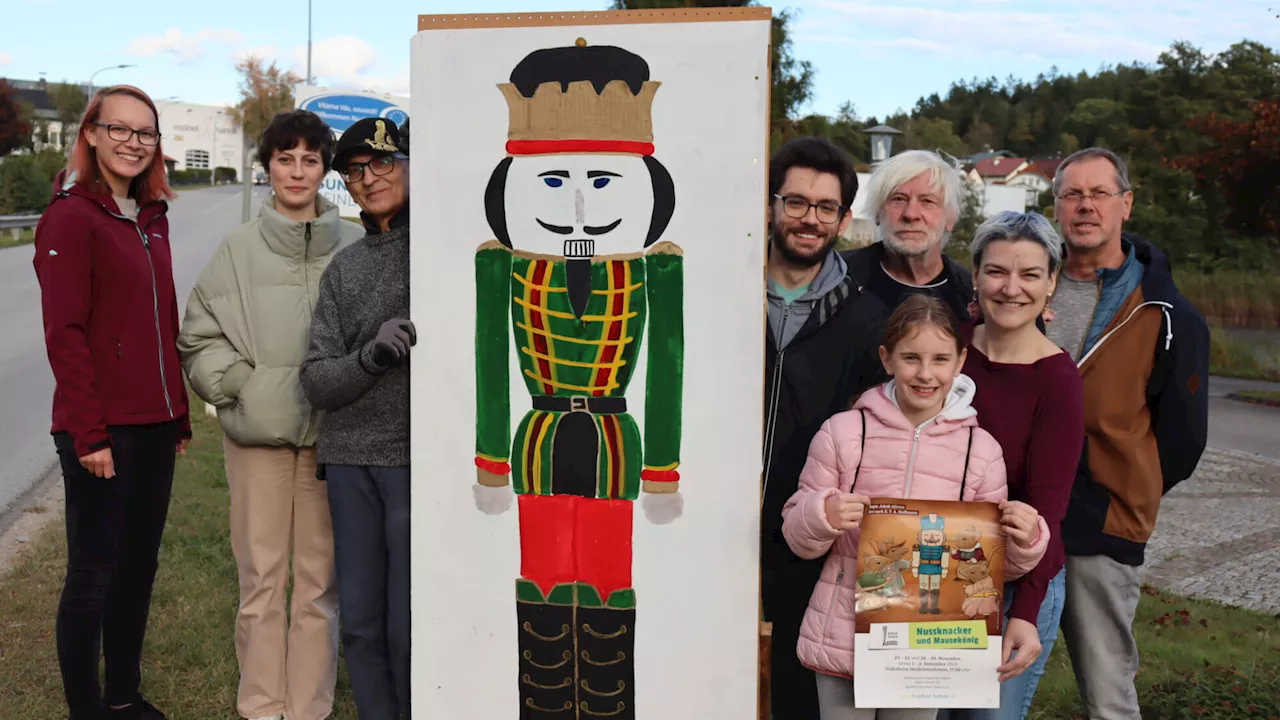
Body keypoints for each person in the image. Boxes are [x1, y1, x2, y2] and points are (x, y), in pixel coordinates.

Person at [780, 294, 1050, 720]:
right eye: (911, 358)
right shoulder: (843, 432)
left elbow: (993, 570)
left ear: (960, 361)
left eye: (940, 359)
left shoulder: (980, 451)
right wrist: (822, 514)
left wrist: (1026, 539)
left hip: (929, 646)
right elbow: (797, 537)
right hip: (843, 637)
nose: (926, 374)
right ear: (887, 359)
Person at [177, 109, 362, 720]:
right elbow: (198, 337)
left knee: (318, 585)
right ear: (268, 167)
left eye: (311, 159)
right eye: (286, 158)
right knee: (261, 581)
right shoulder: (236, 250)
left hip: (332, 442)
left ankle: (307, 706)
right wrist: (243, 388)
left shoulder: (356, 245)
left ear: (324, 168)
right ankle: (261, 705)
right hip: (257, 442)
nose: (298, 171)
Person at [32, 84, 189, 720]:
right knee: (93, 578)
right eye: (119, 129)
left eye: (144, 133)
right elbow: (64, 334)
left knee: (137, 572)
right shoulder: (70, 218)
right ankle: (86, 709)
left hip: (154, 428)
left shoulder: (152, 217)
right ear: (91, 134)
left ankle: (123, 695)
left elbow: (162, 323)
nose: (132, 141)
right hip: (100, 433)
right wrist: (90, 435)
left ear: (156, 146)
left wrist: (176, 413)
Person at [1047, 148, 1209, 720]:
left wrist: (1122, 485)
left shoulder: (1166, 314)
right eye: (1072, 194)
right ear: (1057, 206)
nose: (1085, 205)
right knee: (985, 678)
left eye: (1099, 193)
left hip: (1101, 525)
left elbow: (1183, 440)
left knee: (1107, 690)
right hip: (1012, 516)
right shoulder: (1025, 285)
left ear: (1126, 203)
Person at [938, 212, 1086, 720]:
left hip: (1018, 582)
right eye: (997, 271)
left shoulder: (1057, 380)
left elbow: (1047, 512)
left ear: (1051, 285)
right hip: (929, 566)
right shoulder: (944, 349)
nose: (1011, 288)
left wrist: (1024, 614)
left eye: (1029, 275)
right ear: (975, 276)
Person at [761, 136, 888, 719]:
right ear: (770, 205)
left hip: (813, 532)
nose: (809, 219)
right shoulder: (715, 294)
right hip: (706, 521)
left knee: (795, 689)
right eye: (796, 202)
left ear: (843, 217)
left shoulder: (867, 319)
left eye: (825, 207)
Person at [299, 116, 413, 720]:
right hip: (348, 463)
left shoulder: (442, 254)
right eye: (356, 171)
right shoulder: (344, 269)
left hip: (414, 463)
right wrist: (371, 356)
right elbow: (316, 380)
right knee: (364, 626)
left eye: (384, 163)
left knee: (409, 628)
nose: (369, 179)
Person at [842, 150, 973, 321]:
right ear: (877, 213)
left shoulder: (969, 294)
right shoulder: (837, 277)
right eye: (898, 199)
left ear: (951, 219)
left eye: (927, 201)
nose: (911, 214)